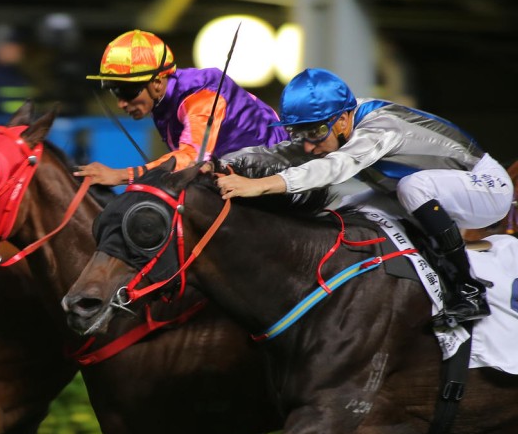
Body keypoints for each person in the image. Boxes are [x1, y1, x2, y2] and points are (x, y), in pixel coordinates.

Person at [215, 68, 512, 328]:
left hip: (486, 188)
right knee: (347, 212)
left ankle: (469, 290)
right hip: (425, 190)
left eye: (316, 132)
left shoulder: (381, 127)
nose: (307, 146)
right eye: (298, 133)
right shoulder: (327, 130)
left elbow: (334, 168)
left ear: (343, 119)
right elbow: (279, 153)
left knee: (413, 187)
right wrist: (217, 163)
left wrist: (261, 186)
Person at [74, 29, 287, 186]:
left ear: (156, 82)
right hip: (235, 176)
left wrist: (120, 175)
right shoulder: (162, 101)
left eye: (127, 93)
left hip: (277, 177)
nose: (121, 104)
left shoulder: (201, 96)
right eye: (115, 92)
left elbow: (191, 158)